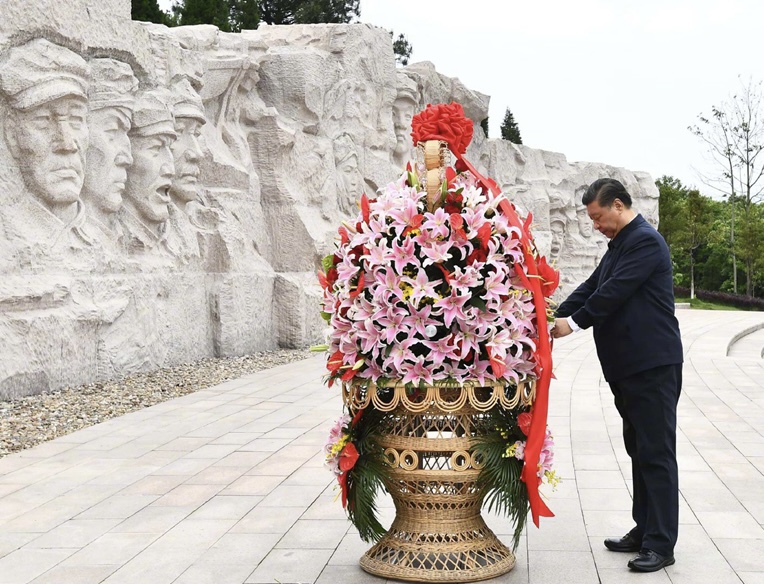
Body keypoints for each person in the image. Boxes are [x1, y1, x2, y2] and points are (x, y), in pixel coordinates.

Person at [552, 178, 683, 573]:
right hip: (629, 368)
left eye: (598, 217)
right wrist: (550, 316)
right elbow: (593, 286)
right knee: (639, 450)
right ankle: (644, 531)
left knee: (656, 454)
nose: (596, 225)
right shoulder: (620, 246)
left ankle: (661, 544)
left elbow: (614, 293)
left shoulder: (643, 240)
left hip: (652, 365)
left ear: (620, 205)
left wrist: (572, 325)